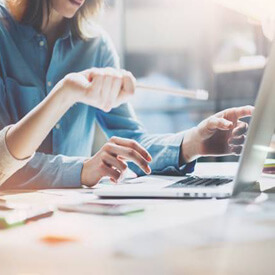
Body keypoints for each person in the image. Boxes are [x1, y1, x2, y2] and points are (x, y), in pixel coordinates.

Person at [0, 0, 253, 189]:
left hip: (71, 216)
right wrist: (82, 170)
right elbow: (4, 162)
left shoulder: (96, 45)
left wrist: (192, 143)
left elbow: (130, 140)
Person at [0, 67, 152, 186]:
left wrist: (176, 148)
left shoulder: (97, 44)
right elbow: (6, 167)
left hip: (80, 205)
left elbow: (133, 142)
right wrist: (82, 170)